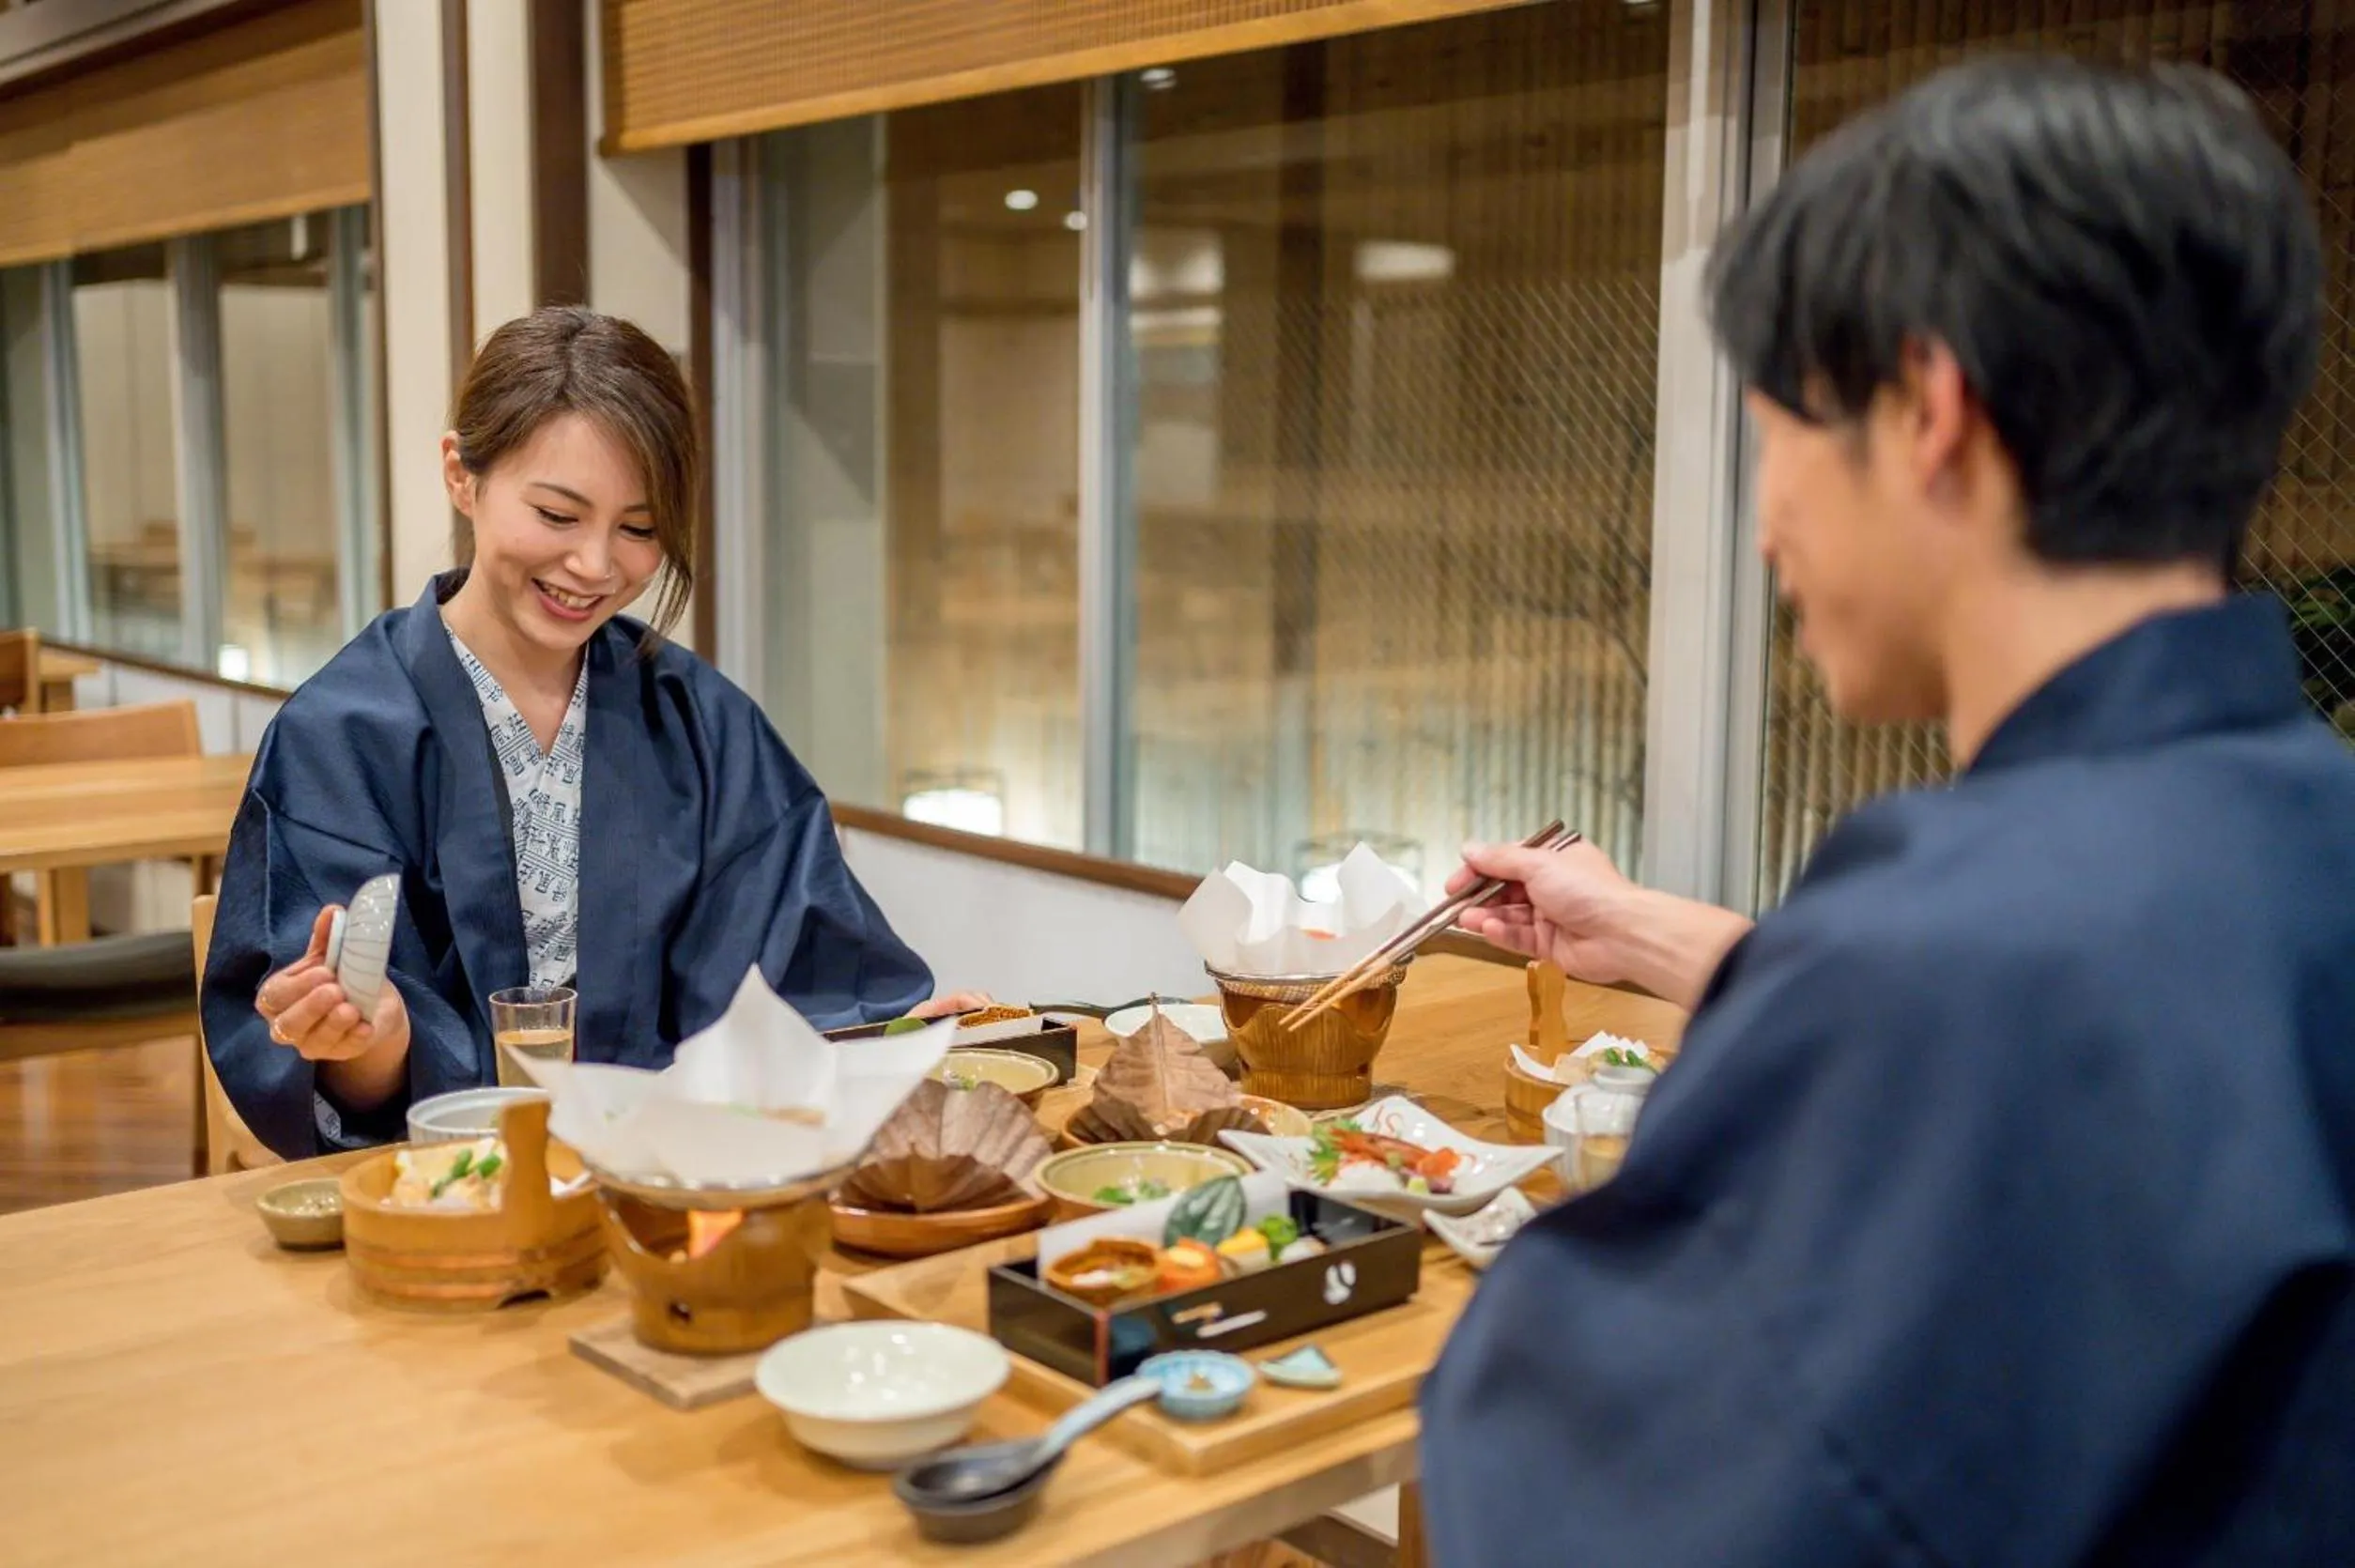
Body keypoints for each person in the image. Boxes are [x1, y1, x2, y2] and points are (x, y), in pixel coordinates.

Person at [1419, 56, 2354, 1565]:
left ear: (1928, 410)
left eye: (1778, 428)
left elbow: (1602, 1487)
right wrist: (1667, 936)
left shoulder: (1958, 931)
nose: (1769, 515)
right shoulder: (2304, 829)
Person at [204, 307, 983, 1158]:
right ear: (462, 474)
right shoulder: (341, 737)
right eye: (558, 514)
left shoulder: (699, 720)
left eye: (639, 528)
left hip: (678, 1182)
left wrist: (887, 1040)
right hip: (451, 1194)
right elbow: (339, 1069)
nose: (596, 566)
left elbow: (806, 972)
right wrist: (375, 1045)